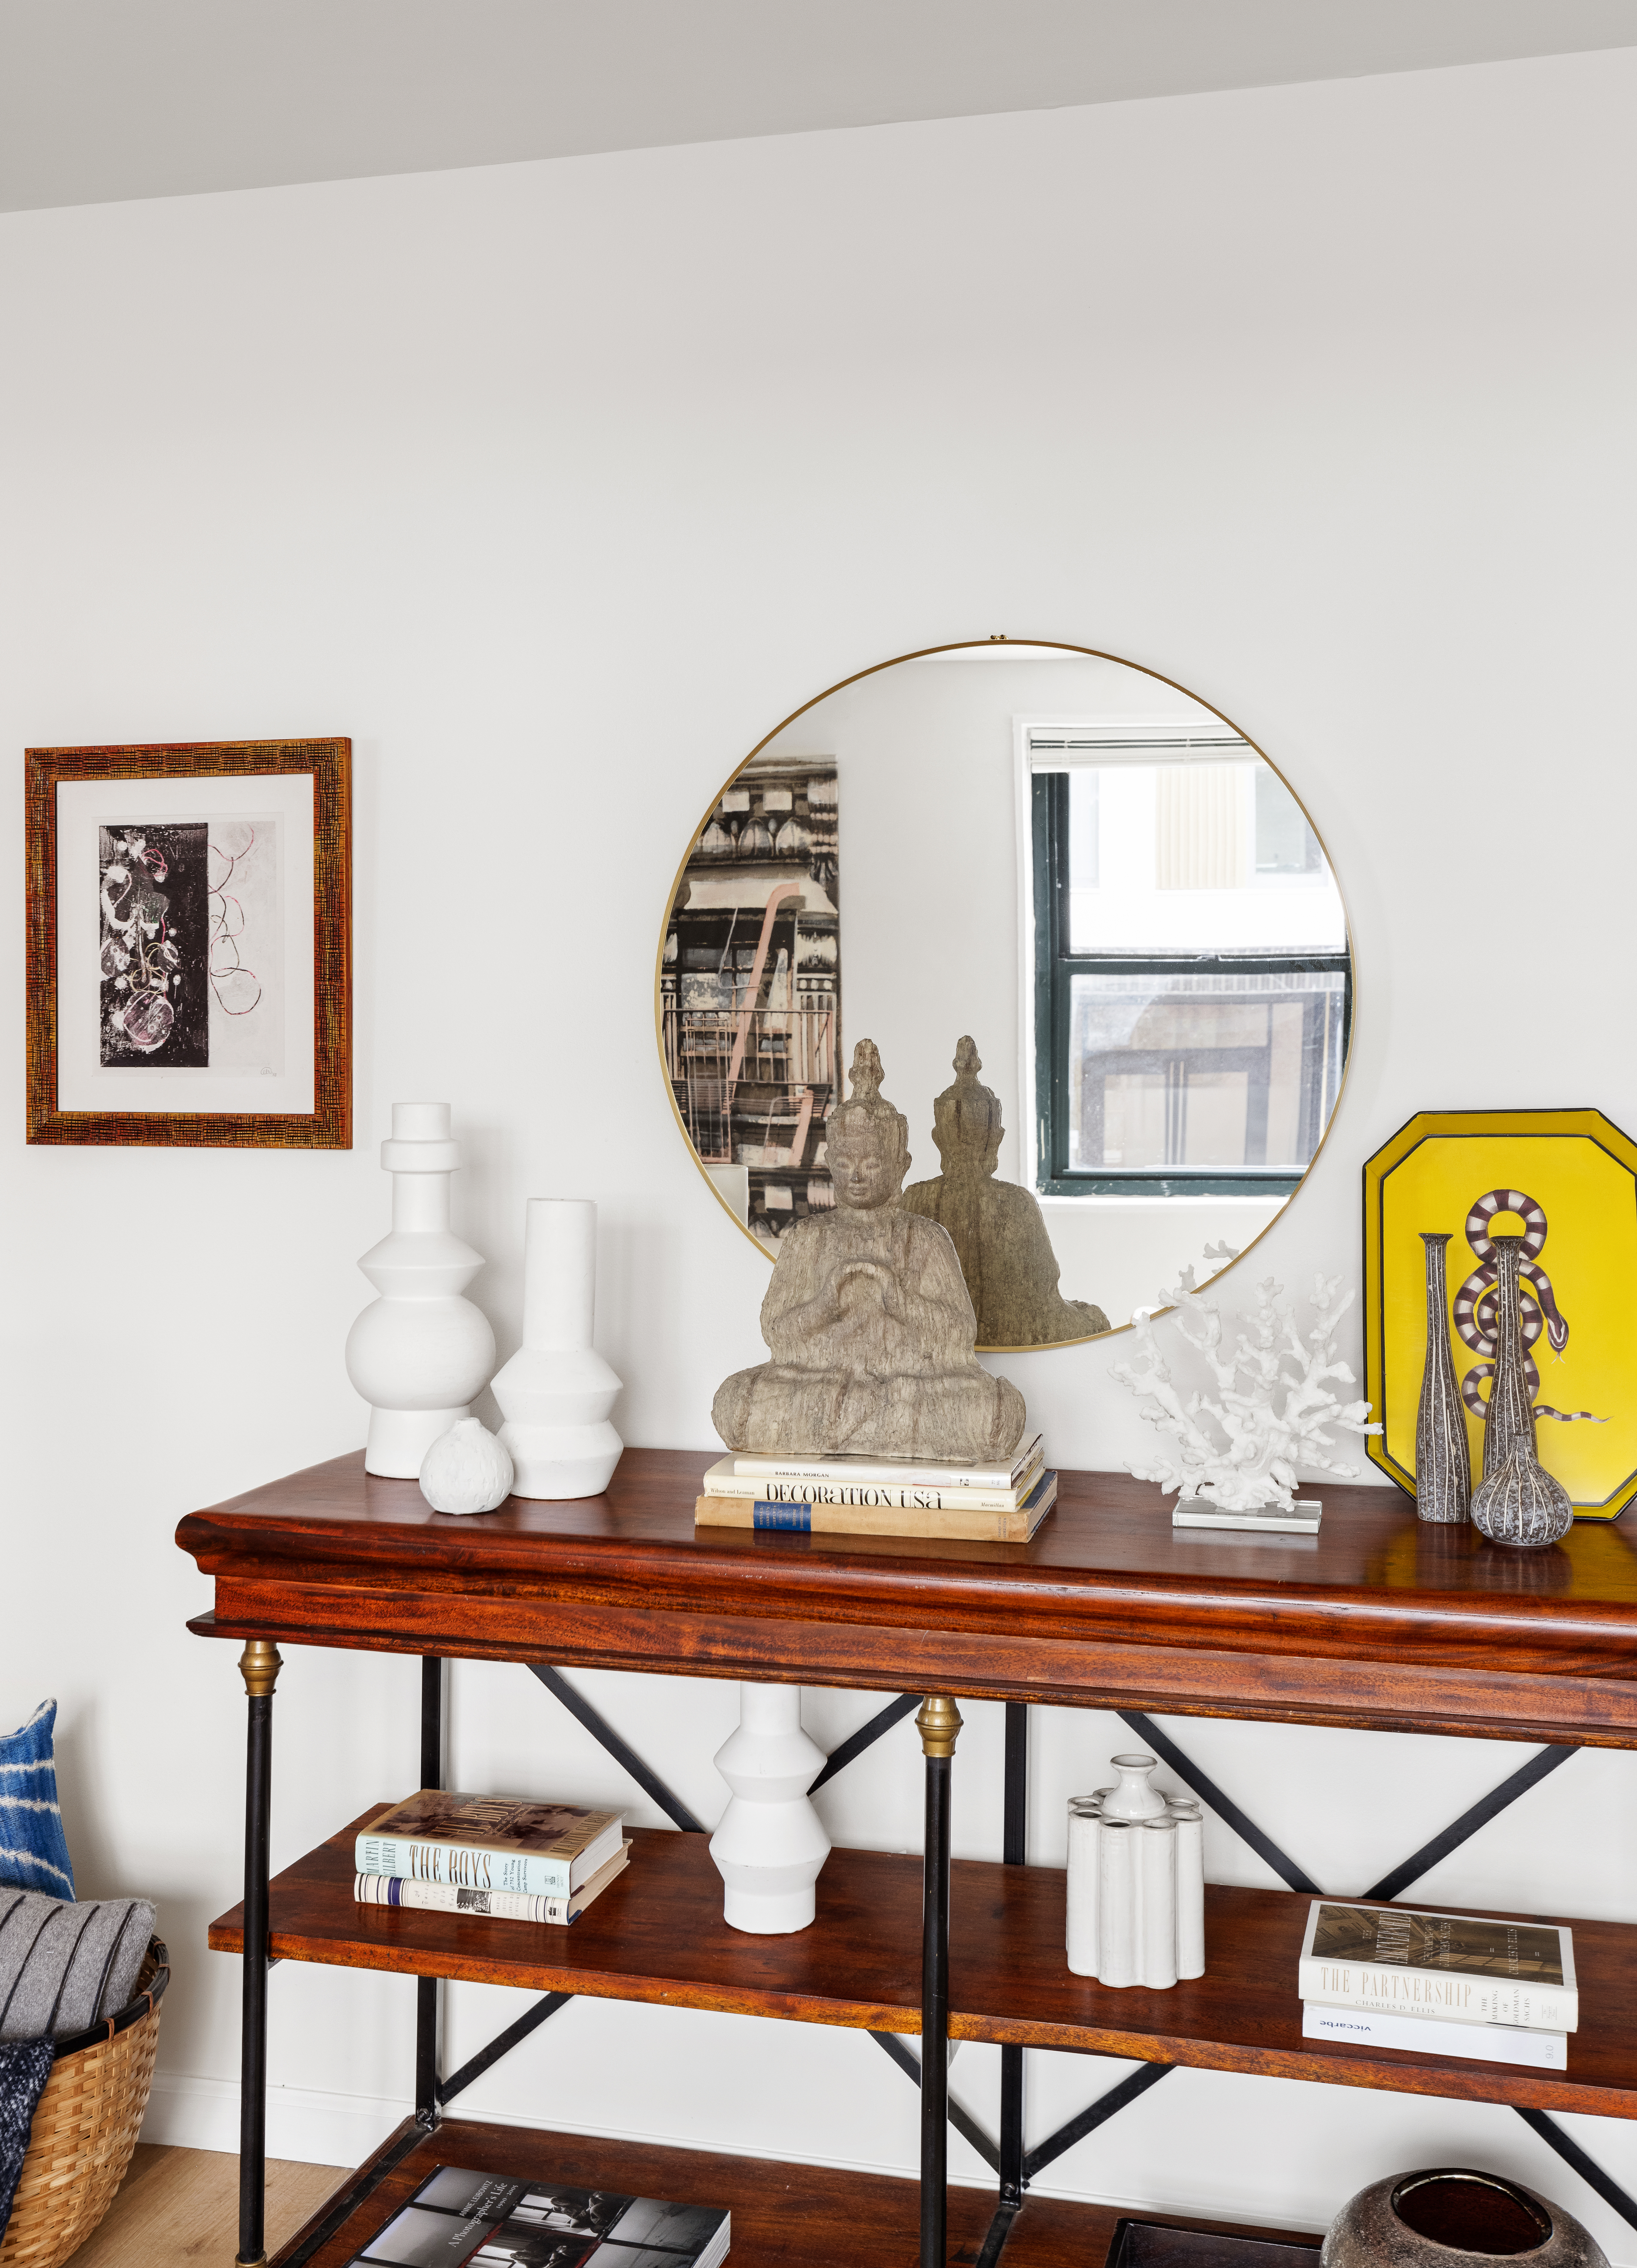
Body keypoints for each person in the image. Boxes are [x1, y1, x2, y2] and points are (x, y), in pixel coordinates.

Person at [712, 1040, 1026, 1460]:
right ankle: (885, 1430)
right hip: (820, 1384)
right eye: (844, 1164)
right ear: (830, 1165)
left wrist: (898, 1299)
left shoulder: (926, 1237)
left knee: (994, 1410)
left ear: (902, 1165)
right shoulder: (810, 1237)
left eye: (873, 1165)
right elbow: (777, 1332)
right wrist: (826, 1303)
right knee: (736, 1400)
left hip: (911, 1386)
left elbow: (958, 1335)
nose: (857, 1176)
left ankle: (853, 1427)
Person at [901, 1037, 1110, 1346]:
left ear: (938, 1139)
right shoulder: (1016, 1201)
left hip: (939, 1341)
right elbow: (1045, 1288)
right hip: (1003, 1339)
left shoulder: (915, 1197)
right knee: (1096, 1319)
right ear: (996, 1139)